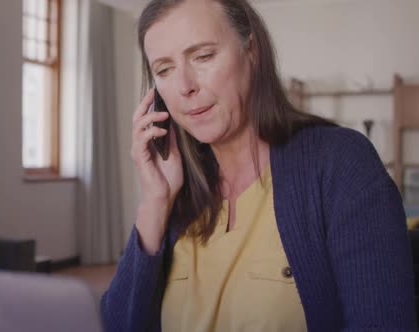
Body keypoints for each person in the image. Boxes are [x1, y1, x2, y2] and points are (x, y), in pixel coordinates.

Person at [100, 0, 417, 331]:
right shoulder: (175, 192)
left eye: (203, 56)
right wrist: (155, 202)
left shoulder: (340, 164)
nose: (184, 87)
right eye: (164, 70)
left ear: (251, 51)